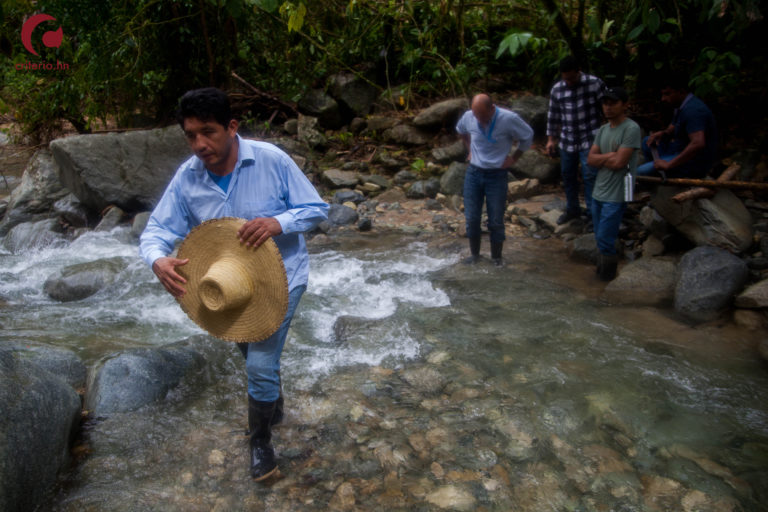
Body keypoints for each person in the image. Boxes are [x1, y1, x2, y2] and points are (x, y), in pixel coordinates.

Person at [139, 87, 329, 481]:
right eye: (191, 135)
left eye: (208, 132)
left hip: (282, 277)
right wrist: (157, 259)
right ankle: (274, 403)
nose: (199, 145)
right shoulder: (188, 177)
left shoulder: (271, 160)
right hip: (227, 286)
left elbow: (316, 209)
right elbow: (157, 230)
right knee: (252, 351)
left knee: (259, 360)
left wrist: (279, 222)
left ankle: (260, 442)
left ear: (231, 127)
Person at [456, 93, 533, 266]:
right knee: (472, 218)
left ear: (492, 108)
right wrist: (469, 149)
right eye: (476, 115)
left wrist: (514, 158)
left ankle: (496, 258)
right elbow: (461, 130)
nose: (479, 119)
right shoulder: (469, 117)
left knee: (496, 220)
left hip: (497, 175)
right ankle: (475, 255)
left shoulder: (508, 119)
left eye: (483, 116)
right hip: (474, 172)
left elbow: (527, 136)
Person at [586, 87, 642, 281]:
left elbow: (619, 163)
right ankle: (601, 277)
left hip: (619, 191)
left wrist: (603, 158)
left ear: (625, 105)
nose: (608, 108)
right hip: (599, 190)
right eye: (605, 104)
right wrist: (610, 155)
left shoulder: (631, 128)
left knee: (605, 238)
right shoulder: (603, 129)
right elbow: (590, 160)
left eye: (613, 104)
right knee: (599, 236)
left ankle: (606, 279)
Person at [545, 56, 606, 225]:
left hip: (591, 136)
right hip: (568, 139)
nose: (569, 82)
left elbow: (607, 108)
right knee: (568, 175)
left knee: (590, 175)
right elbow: (553, 116)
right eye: (566, 79)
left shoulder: (595, 84)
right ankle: (572, 209)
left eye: (572, 78)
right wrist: (551, 140)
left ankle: (593, 214)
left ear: (579, 71)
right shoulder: (558, 89)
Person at [636, 74, 717, 178]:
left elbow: (698, 143)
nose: (663, 99)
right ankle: (659, 170)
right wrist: (663, 134)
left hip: (693, 161)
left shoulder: (693, 111)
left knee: (640, 171)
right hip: (678, 148)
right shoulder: (680, 106)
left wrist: (669, 164)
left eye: (667, 94)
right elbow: (673, 126)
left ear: (681, 92)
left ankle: (663, 172)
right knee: (647, 141)